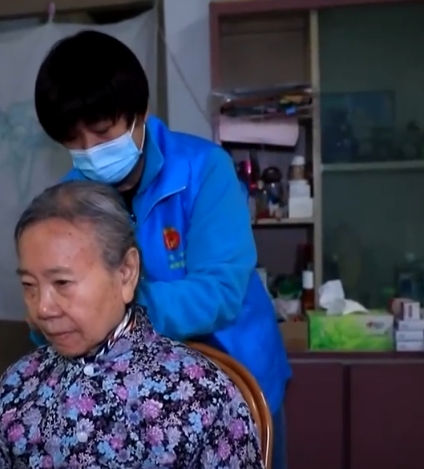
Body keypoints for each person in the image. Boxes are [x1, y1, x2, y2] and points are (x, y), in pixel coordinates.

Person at [33, 30, 291, 468]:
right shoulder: (69, 202)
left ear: (140, 112)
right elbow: (56, 304)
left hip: (236, 372)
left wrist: (108, 309)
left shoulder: (204, 169)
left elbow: (220, 292)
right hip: (134, 395)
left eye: (102, 132)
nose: (90, 152)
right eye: (73, 141)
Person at [0, 181, 264, 468]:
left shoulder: (201, 394)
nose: (42, 308)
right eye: (29, 285)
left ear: (126, 272)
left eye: (62, 283)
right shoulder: (19, 385)